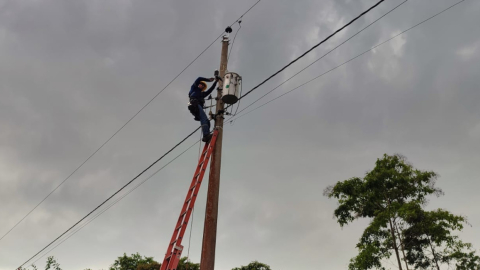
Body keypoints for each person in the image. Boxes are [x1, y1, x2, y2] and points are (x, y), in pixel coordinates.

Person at [188, 76, 218, 142]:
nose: (201, 85)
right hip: (194, 104)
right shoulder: (194, 88)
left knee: (207, 121)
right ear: (199, 84)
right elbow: (199, 78)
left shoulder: (203, 94)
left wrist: (215, 82)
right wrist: (209, 80)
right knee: (204, 119)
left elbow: (210, 90)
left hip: (198, 107)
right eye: (201, 84)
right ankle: (206, 134)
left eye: (203, 85)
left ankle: (206, 136)